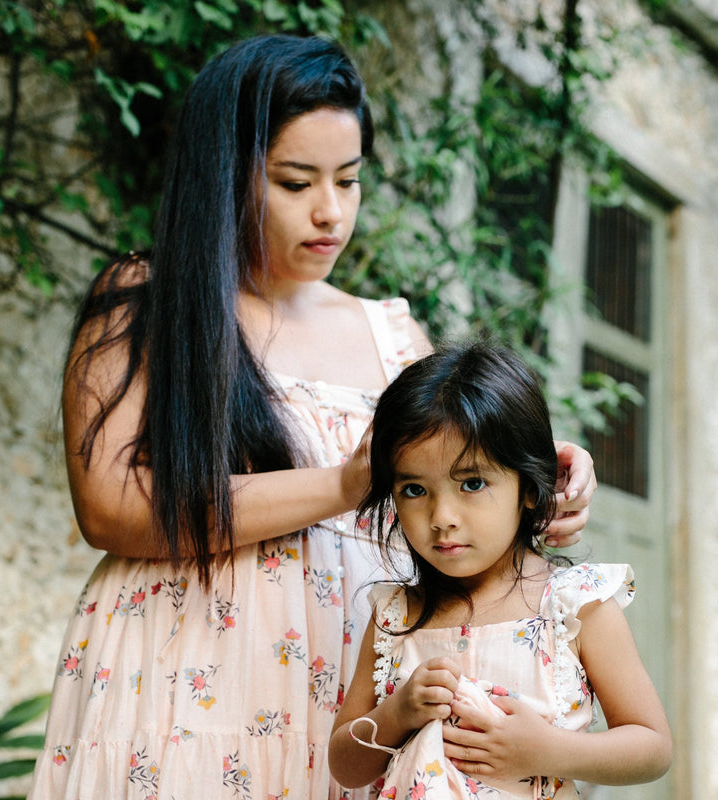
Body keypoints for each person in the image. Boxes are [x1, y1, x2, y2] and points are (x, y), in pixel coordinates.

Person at [29, 35, 597, 800]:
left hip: (357, 697)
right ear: (225, 173)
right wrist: (343, 482)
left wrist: (544, 469)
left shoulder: (389, 333)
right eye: (295, 182)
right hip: (180, 680)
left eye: (349, 180)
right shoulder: (147, 299)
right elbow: (112, 508)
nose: (330, 211)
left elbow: (465, 469)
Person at [328, 341, 671, 798]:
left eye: (472, 483)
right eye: (414, 489)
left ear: (529, 488)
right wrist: (395, 714)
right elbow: (344, 766)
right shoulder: (395, 615)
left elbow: (652, 746)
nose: (442, 516)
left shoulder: (572, 605)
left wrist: (549, 750)